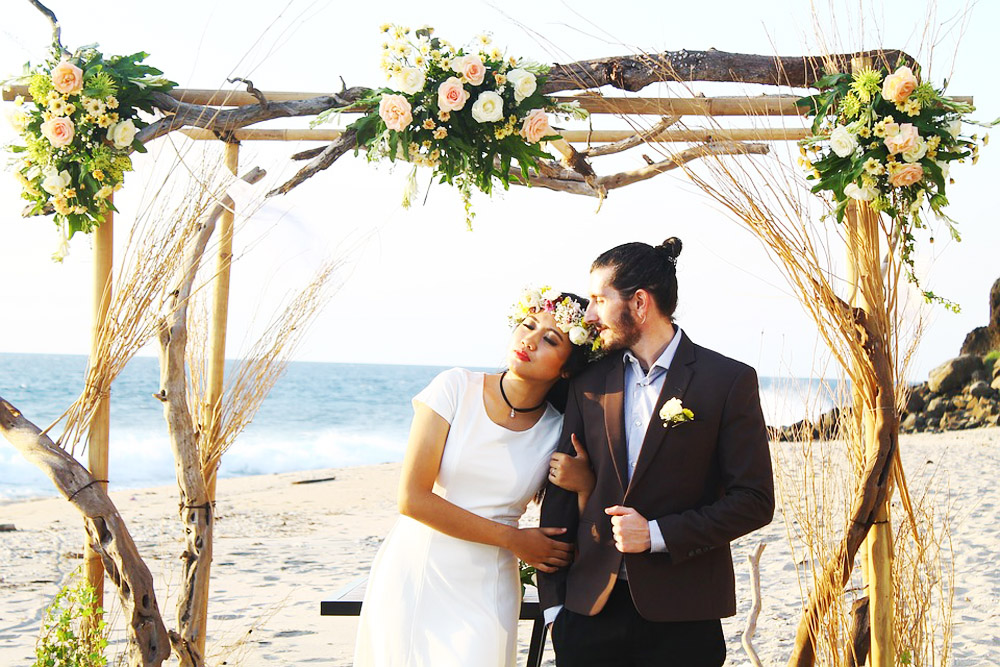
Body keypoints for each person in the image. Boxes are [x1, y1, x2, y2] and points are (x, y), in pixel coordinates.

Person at [539, 238, 775, 667]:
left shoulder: (727, 380)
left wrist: (657, 534)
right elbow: (559, 499)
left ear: (640, 302)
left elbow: (754, 502)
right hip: (588, 613)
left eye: (598, 299)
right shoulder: (587, 381)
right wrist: (555, 608)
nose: (590, 314)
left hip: (685, 616)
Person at [354, 287, 602, 667]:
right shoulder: (454, 388)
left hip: (489, 584)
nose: (529, 341)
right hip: (417, 567)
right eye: (527, 325)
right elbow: (412, 499)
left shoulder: (559, 431)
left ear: (567, 367)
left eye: (549, 339)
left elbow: (580, 522)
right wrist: (514, 539)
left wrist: (584, 483)